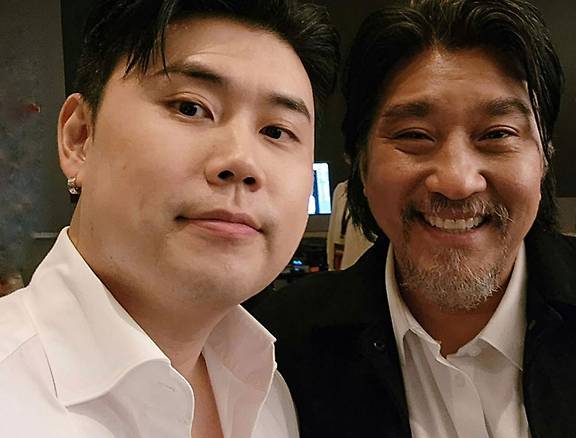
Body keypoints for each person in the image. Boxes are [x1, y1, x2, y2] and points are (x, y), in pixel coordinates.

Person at [252, 1, 576, 437]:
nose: (458, 182)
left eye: (497, 134)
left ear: (544, 157)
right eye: (414, 135)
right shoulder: (273, 350)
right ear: (360, 163)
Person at [0, 1, 339, 437]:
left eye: (276, 131)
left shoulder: (266, 388)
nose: (242, 161)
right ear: (79, 137)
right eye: (190, 108)